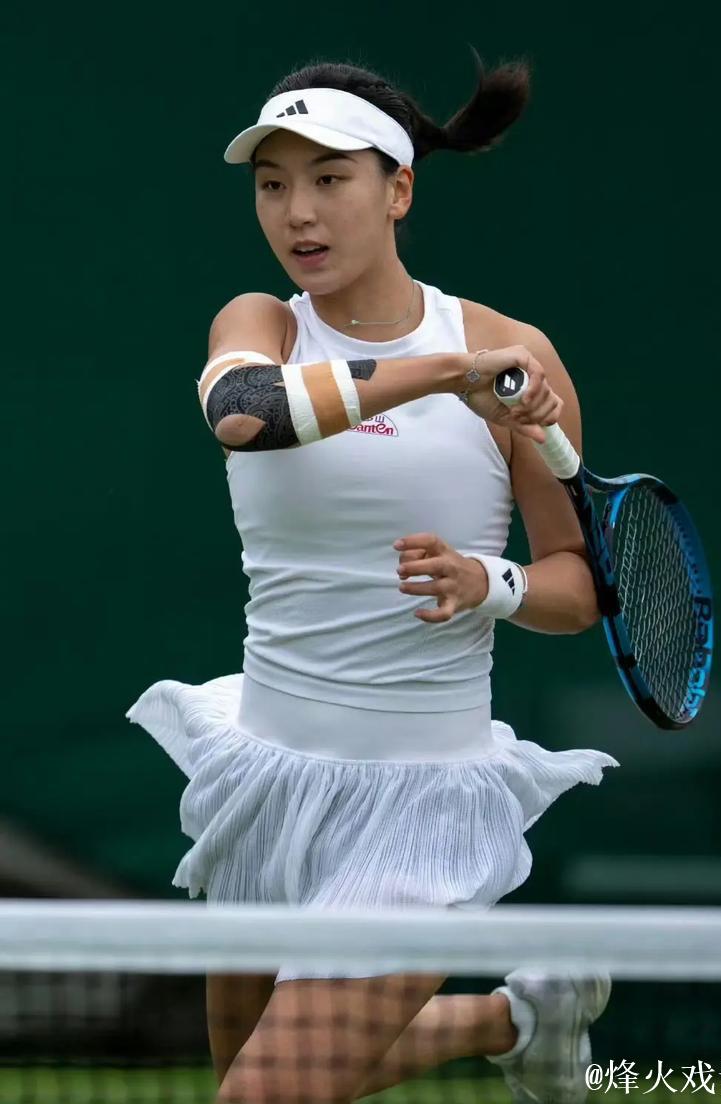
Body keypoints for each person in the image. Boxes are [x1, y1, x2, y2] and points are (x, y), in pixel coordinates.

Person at [126, 52, 619, 1104]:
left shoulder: (511, 351)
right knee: (252, 1073)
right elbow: (243, 413)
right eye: (272, 184)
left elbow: (578, 588)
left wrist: (488, 583)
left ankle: (512, 1017)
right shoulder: (260, 324)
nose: (297, 212)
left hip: (417, 811)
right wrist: (446, 376)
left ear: (398, 191)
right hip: (268, 779)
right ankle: (513, 1020)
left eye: (328, 179)